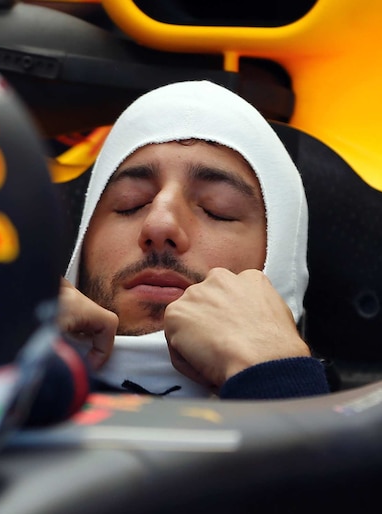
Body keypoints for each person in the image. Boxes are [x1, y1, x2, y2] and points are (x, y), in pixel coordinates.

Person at [58, 80, 330, 399]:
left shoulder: (376, 432)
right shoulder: (6, 375)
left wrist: (277, 377)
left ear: (280, 257)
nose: (160, 224)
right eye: (130, 203)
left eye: (218, 210)